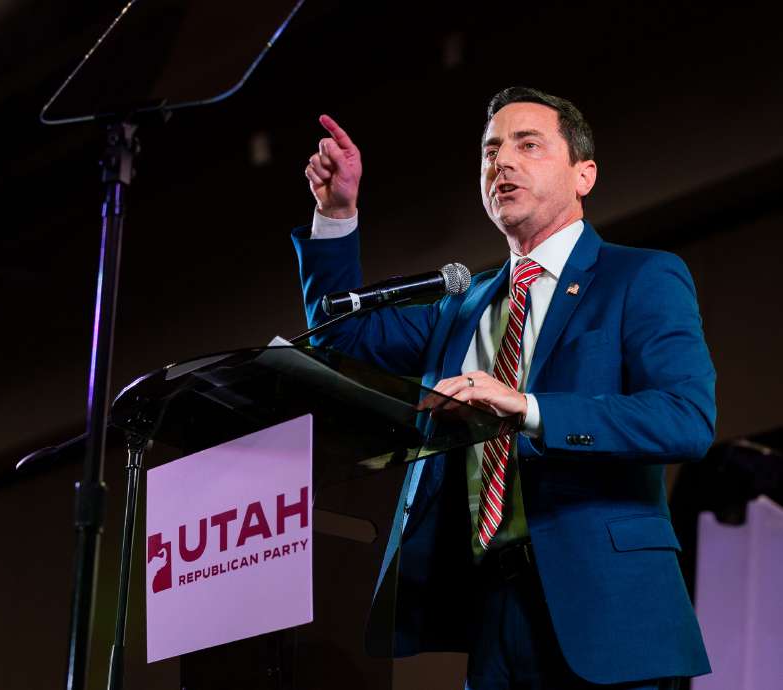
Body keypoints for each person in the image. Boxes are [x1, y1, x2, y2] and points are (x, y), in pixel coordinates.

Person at [291, 87, 715, 689]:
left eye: (528, 145)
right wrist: (336, 215)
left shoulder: (640, 276)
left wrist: (531, 408)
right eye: (490, 151)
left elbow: (685, 418)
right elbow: (343, 336)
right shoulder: (463, 305)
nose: (502, 162)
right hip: (490, 606)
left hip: (608, 614)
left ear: (584, 174)